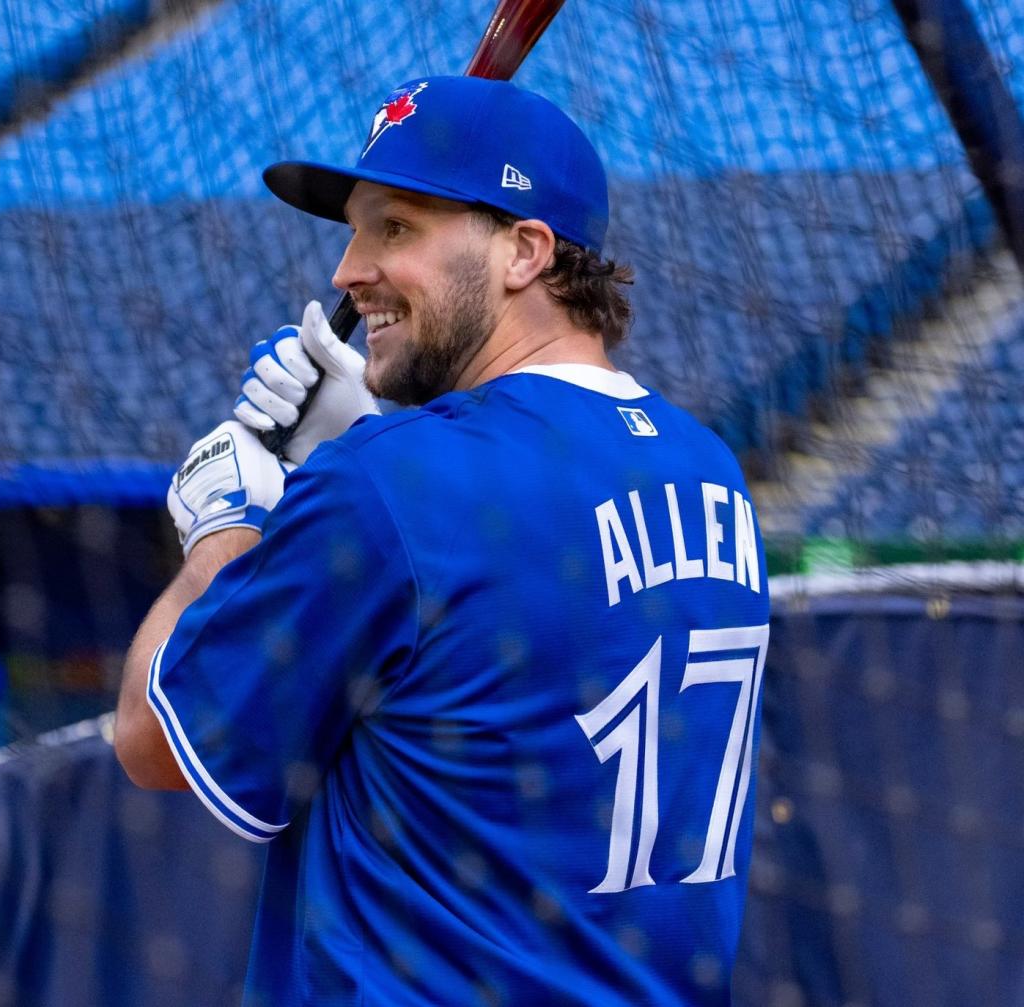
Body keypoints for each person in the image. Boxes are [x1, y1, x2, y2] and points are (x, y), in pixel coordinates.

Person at [115, 75, 770, 1006]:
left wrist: (228, 526)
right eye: (354, 228)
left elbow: (154, 738)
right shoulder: (709, 468)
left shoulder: (390, 487)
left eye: (396, 229)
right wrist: (361, 446)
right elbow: (507, 615)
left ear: (524, 251)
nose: (347, 270)